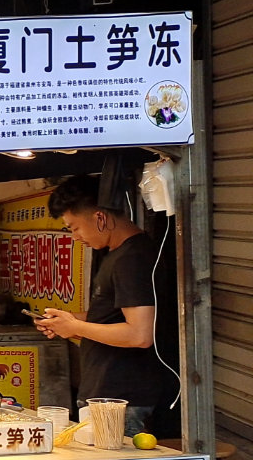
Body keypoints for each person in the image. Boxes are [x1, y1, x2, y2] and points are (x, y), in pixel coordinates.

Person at [34, 175, 177, 435]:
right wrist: (67, 323)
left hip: (123, 400)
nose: (75, 236)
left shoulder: (133, 259)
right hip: (107, 397)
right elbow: (112, 318)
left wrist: (76, 325)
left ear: (100, 218)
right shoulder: (118, 254)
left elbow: (139, 334)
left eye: (74, 227)